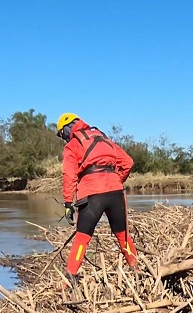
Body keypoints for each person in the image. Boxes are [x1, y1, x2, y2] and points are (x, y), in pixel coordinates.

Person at [56, 113, 138, 293]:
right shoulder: (104, 139)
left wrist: (68, 203)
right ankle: (136, 270)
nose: (64, 139)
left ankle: (69, 279)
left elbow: (69, 175)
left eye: (62, 134)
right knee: (123, 237)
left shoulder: (73, 144)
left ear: (68, 129)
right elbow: (128, 162)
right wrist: (116, 181)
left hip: (92, 193)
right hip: (115, 192)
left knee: (82, 239)